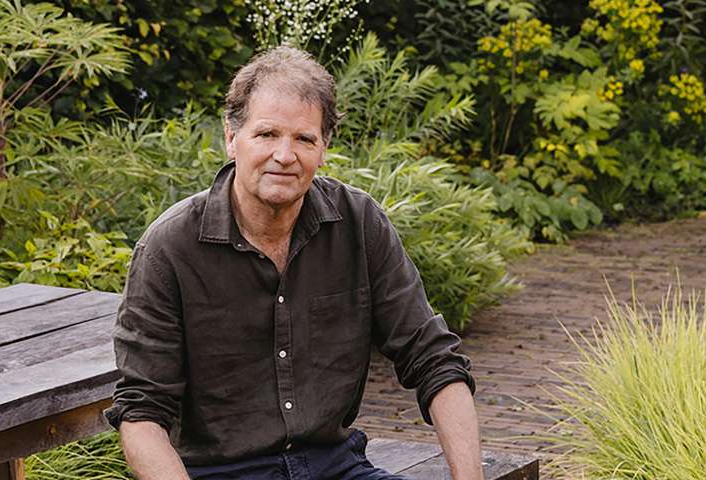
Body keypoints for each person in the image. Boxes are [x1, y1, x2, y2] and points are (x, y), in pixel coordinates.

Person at [104, 46, 484, 480]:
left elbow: (433, 358)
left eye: (304, 139)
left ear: (324, 148)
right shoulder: (170, 248)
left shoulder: (358, 222)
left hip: (336, 467)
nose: (285, 155)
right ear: (231, 137)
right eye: (267, 134)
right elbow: (141, 414)